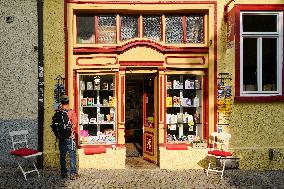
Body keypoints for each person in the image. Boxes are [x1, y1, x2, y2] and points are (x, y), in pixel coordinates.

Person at [57, 95, 78, 180]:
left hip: (61, 138)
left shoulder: (58, 112)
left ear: (61, 103)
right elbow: (75, 125)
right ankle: (72, 174)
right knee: (72, 156)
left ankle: (63, 173)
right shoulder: (71, 112)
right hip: (70, 138)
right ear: (68, 103)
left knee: (62, 156)